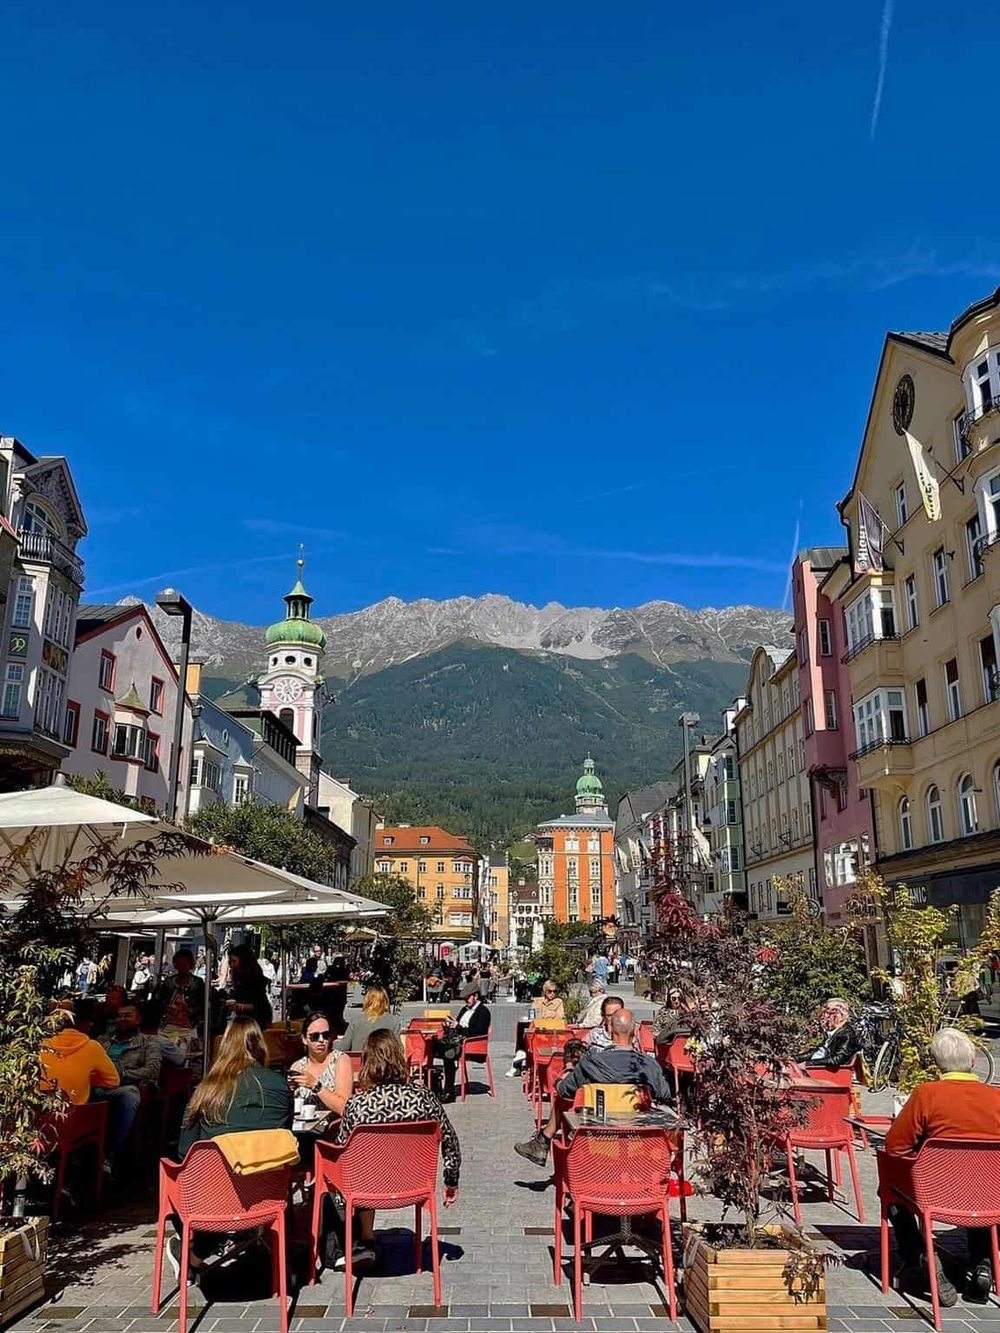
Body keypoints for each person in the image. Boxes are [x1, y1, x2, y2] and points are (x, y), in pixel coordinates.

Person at [885, 1028, 1000, 1305]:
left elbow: (895, 1148)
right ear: (973, 1062)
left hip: (935, 1192)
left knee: (889, 1189)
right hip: (990, 1194)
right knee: (982, 1186)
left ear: (936, 1063)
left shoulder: (928, 1094)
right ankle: (983, 1263)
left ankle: (919, 1255)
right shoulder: (996, 1098)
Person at [333, 1030, 460, 1270]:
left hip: (367, 1187)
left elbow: (342, 1152)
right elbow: (451, 1141)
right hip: (414, 1183)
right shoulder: (425, 1098)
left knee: (345, 1167)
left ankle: (361, 1241)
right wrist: (450, 1182)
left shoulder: (357, 1104)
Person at [515, 1009, 670, 1167]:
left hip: (596, 1139)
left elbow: (564, 1091)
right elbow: (665, 1094)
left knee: (570, 1095)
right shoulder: (648, 1065)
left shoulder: (592, 1063)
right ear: (635, 1033)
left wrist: (567, 1071)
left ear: (610, 1032)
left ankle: (543, 1141)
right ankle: (542, 1141)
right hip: (639, 1140)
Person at [179, 1017, 294, 1154]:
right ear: (260, 1045)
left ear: (224, 1046)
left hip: (215, 1173)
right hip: (268, 1172)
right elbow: (286, 1136)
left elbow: (185, 1150)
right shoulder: (280, 1084)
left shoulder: (206, 1089)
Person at [40, 1008, 140, 1161]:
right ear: (87, 1024)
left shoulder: (38, 1045)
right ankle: (107, 1158)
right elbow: (113, 1080)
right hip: (72, 1124)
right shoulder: (92, 1046)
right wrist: (84, 1079)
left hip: (38, 1119)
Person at [433, 982, 490, 1103]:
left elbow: (478, 1032)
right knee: (432, 1046)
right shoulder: (465, 1009)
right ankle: (434, 1086)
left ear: (475, 996)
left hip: (471, 1045)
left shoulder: (483, 1012)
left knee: (448, 1053)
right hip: (457, 1041)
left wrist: (458, 1027)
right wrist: (449, 1026)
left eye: (468, 998)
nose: (466, 1001)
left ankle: (449, 1091)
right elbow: (457, 1025)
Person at [289, 1010, 354, 1115]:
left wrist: (316, 1086)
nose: (321, 1040)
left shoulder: (340, 1060)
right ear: (304, 1039)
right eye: (315, 1036)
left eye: (326, 1035)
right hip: (302, 1128)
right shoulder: (297, 1067)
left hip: (332, 1127)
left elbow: (344, 1107)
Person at [506, 979, 565, 1077]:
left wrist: (544, 1014)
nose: (552, 994)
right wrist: (550, 1014)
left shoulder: (558, 1002)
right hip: (539, 1030)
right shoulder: (538, 1001)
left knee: (528, 1028)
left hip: (551, 1032)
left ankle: (518, 1061)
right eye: (550, 991)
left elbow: (560, 1016)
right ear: (545, 991)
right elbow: (532, 1016)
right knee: (522, 1025)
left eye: (554, 991)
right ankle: (520, 1052)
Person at [100, 1001, 163, 1089]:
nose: (122, 1019)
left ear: (138, 1019)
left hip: (130, 1085)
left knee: (129, 1092)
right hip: (101, 1084)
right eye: (119, 1016)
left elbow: (152, 1071)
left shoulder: (149, 1041)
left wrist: (122, 1074)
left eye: (127, 1016)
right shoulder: (103, 1040)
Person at [335, 986, 400, 1052]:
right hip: (384, 1060)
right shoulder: (393, 1021)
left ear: (367, 1000)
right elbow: (398, 1049)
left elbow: (344, 1047)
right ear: (386, 1001)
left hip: (359, 1060)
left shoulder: (356, 1020)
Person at [802, 997, 862, 1069]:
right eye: (826, 1012)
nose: (826, 1016)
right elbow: (818, 1051)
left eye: (832, 1013)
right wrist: (795, 1059)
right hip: (816, 1068)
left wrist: (808, 1064)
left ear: (842, 1015)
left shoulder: (846, 1034)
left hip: (823, 1072)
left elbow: (837, 1059)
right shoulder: (833, 1032)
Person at [224, 943, 273, 1030]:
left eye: (234, 961)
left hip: (257, 1020)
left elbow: (259, 1005)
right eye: (230, 962)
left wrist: (238, 1006)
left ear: (243, 961)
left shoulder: (254, 978)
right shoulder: (237, 976)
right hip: (244, 1019)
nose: (231, 965)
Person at [158, 947, 207, 1032]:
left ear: (190, 965)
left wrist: (190, 1010)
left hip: (190, 1025)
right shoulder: (168, 982)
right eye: (179, 964)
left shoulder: (197, 983)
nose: (181, 967)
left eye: (184, 964)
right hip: (168, 1024)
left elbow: (202, 1004)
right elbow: (160, 1002)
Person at [139, 1000, 186, 1068]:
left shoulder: (133, 1038)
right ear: (160, 1021)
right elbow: (180, 1059)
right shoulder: (162, 1042)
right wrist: (183, 1044)